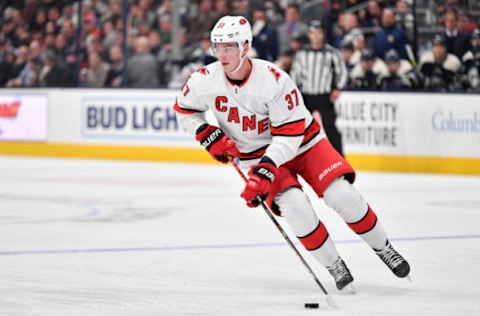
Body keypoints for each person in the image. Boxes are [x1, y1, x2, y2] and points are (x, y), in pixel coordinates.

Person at [173, 15, 411, 292]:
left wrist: (265, 169)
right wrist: (206, 134)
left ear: (246, 47)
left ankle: (384, 248)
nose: (221, 54)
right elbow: (184, 111)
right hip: (256, 155)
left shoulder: (273, 79)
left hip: (303, 143)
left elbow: (290, 134)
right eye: (218, 47)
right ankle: (334, 264)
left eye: (229, 47)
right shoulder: (205, 80)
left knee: (340, 194)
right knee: (295, 207)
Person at [290, 20, 347, 156]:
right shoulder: (301, 53)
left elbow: (342, 72)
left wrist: (337, 88)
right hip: (306, 96)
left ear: (323, 34)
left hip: (324, 96)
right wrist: (295, 93)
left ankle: (339, 158)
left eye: (318, 33)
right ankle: (298, 157)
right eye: (313, 33)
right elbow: (295, 74)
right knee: (301, 128)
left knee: (330, 128)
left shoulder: (331, 53)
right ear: (309, 35)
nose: (315, 36)